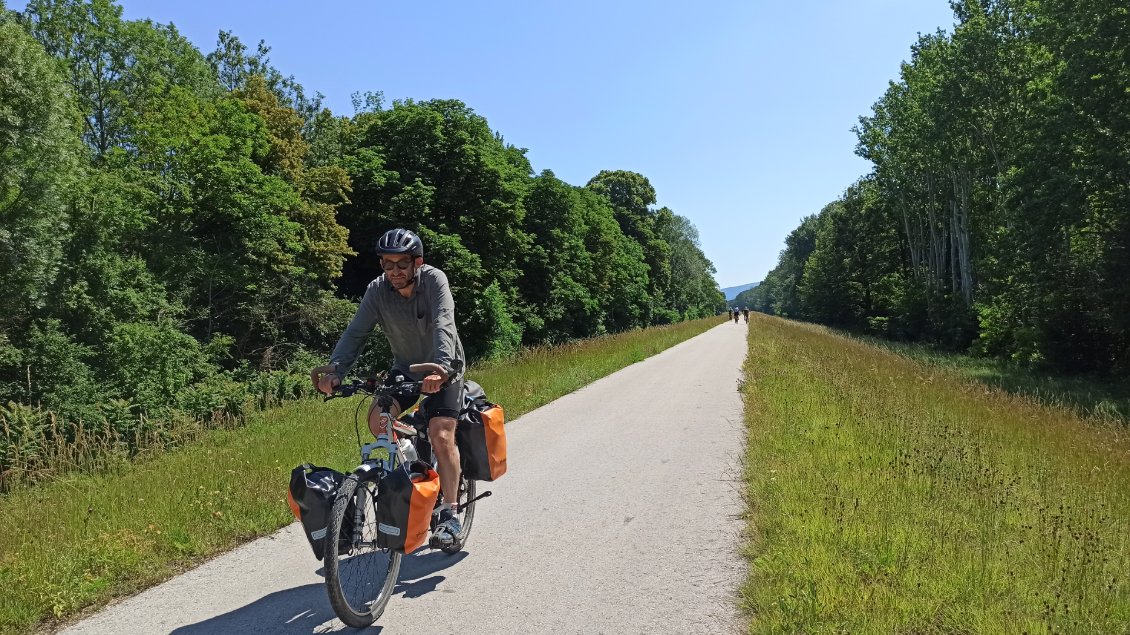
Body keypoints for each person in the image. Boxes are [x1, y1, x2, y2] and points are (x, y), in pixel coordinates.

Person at [310, 228, 467, 548]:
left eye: (401, 264)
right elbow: (356, 333)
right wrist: (336, 371)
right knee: (377, 420)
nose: (394, 271)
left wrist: (442, 367)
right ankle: (418, 473)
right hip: (405, 369)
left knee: (441, 434)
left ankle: (450, 514)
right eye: (387, 264)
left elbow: (443, 324)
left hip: (444, 368)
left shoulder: (435, 281)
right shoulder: (377, 290)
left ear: (417, 263)